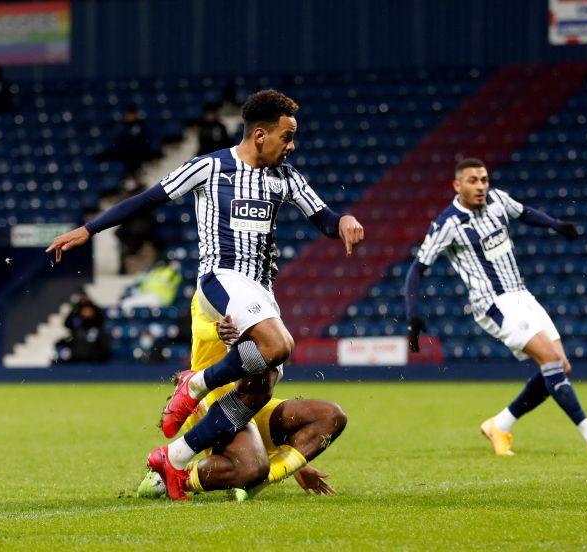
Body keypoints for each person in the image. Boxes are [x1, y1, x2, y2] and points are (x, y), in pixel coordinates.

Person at [46, 89, 364, 500]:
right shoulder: (210, 168)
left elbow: (324, 217)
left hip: (260, 290)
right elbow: (149, 199)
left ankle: (175, 458)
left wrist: (345, 222)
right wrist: (88, 230)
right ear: (261, 134)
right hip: (222, 276)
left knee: (262, 383)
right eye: (287, 136)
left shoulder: (286, 178)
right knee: (279, 344)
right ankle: (197, 384)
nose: (292, 145)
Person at [405, 158, 587, 457]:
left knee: (560, 366)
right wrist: (413, 313)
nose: (480, 186)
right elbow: (417, 268)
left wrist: (556, 225)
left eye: (484, 179)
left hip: (522, 295)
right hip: (492, 304)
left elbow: (525, 213)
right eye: (473, 181)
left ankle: (499, 425)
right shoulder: (447, 224)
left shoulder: (498, 200)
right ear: (457, 185)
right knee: (551, 360)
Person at [138, 294, 346, 499]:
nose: (272, 264)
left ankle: (261, 479)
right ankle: (164, 479)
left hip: (249, 404)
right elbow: (199, 326)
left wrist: (297, 466)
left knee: (330, 416)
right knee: (251, 468)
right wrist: (216, 330)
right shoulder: (218, 284)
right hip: (212, 400)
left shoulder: (259, 294)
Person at [97, 105, 159, 172]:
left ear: (136, 115)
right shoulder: (122, 128)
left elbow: (146, 142)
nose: (129, 117)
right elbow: (118, 143)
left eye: (131, 114)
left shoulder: (143, 127)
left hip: (139, 157)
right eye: (128, 114)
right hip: (126, 157)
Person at [58, 292, 111, 363]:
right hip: (78, 354)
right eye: (84, 311)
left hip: (94, 358)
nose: (87, 313)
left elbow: (101, 319)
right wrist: (75, 309)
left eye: (89, 311)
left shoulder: (97, 328)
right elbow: (67, 324)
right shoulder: (76, 316)